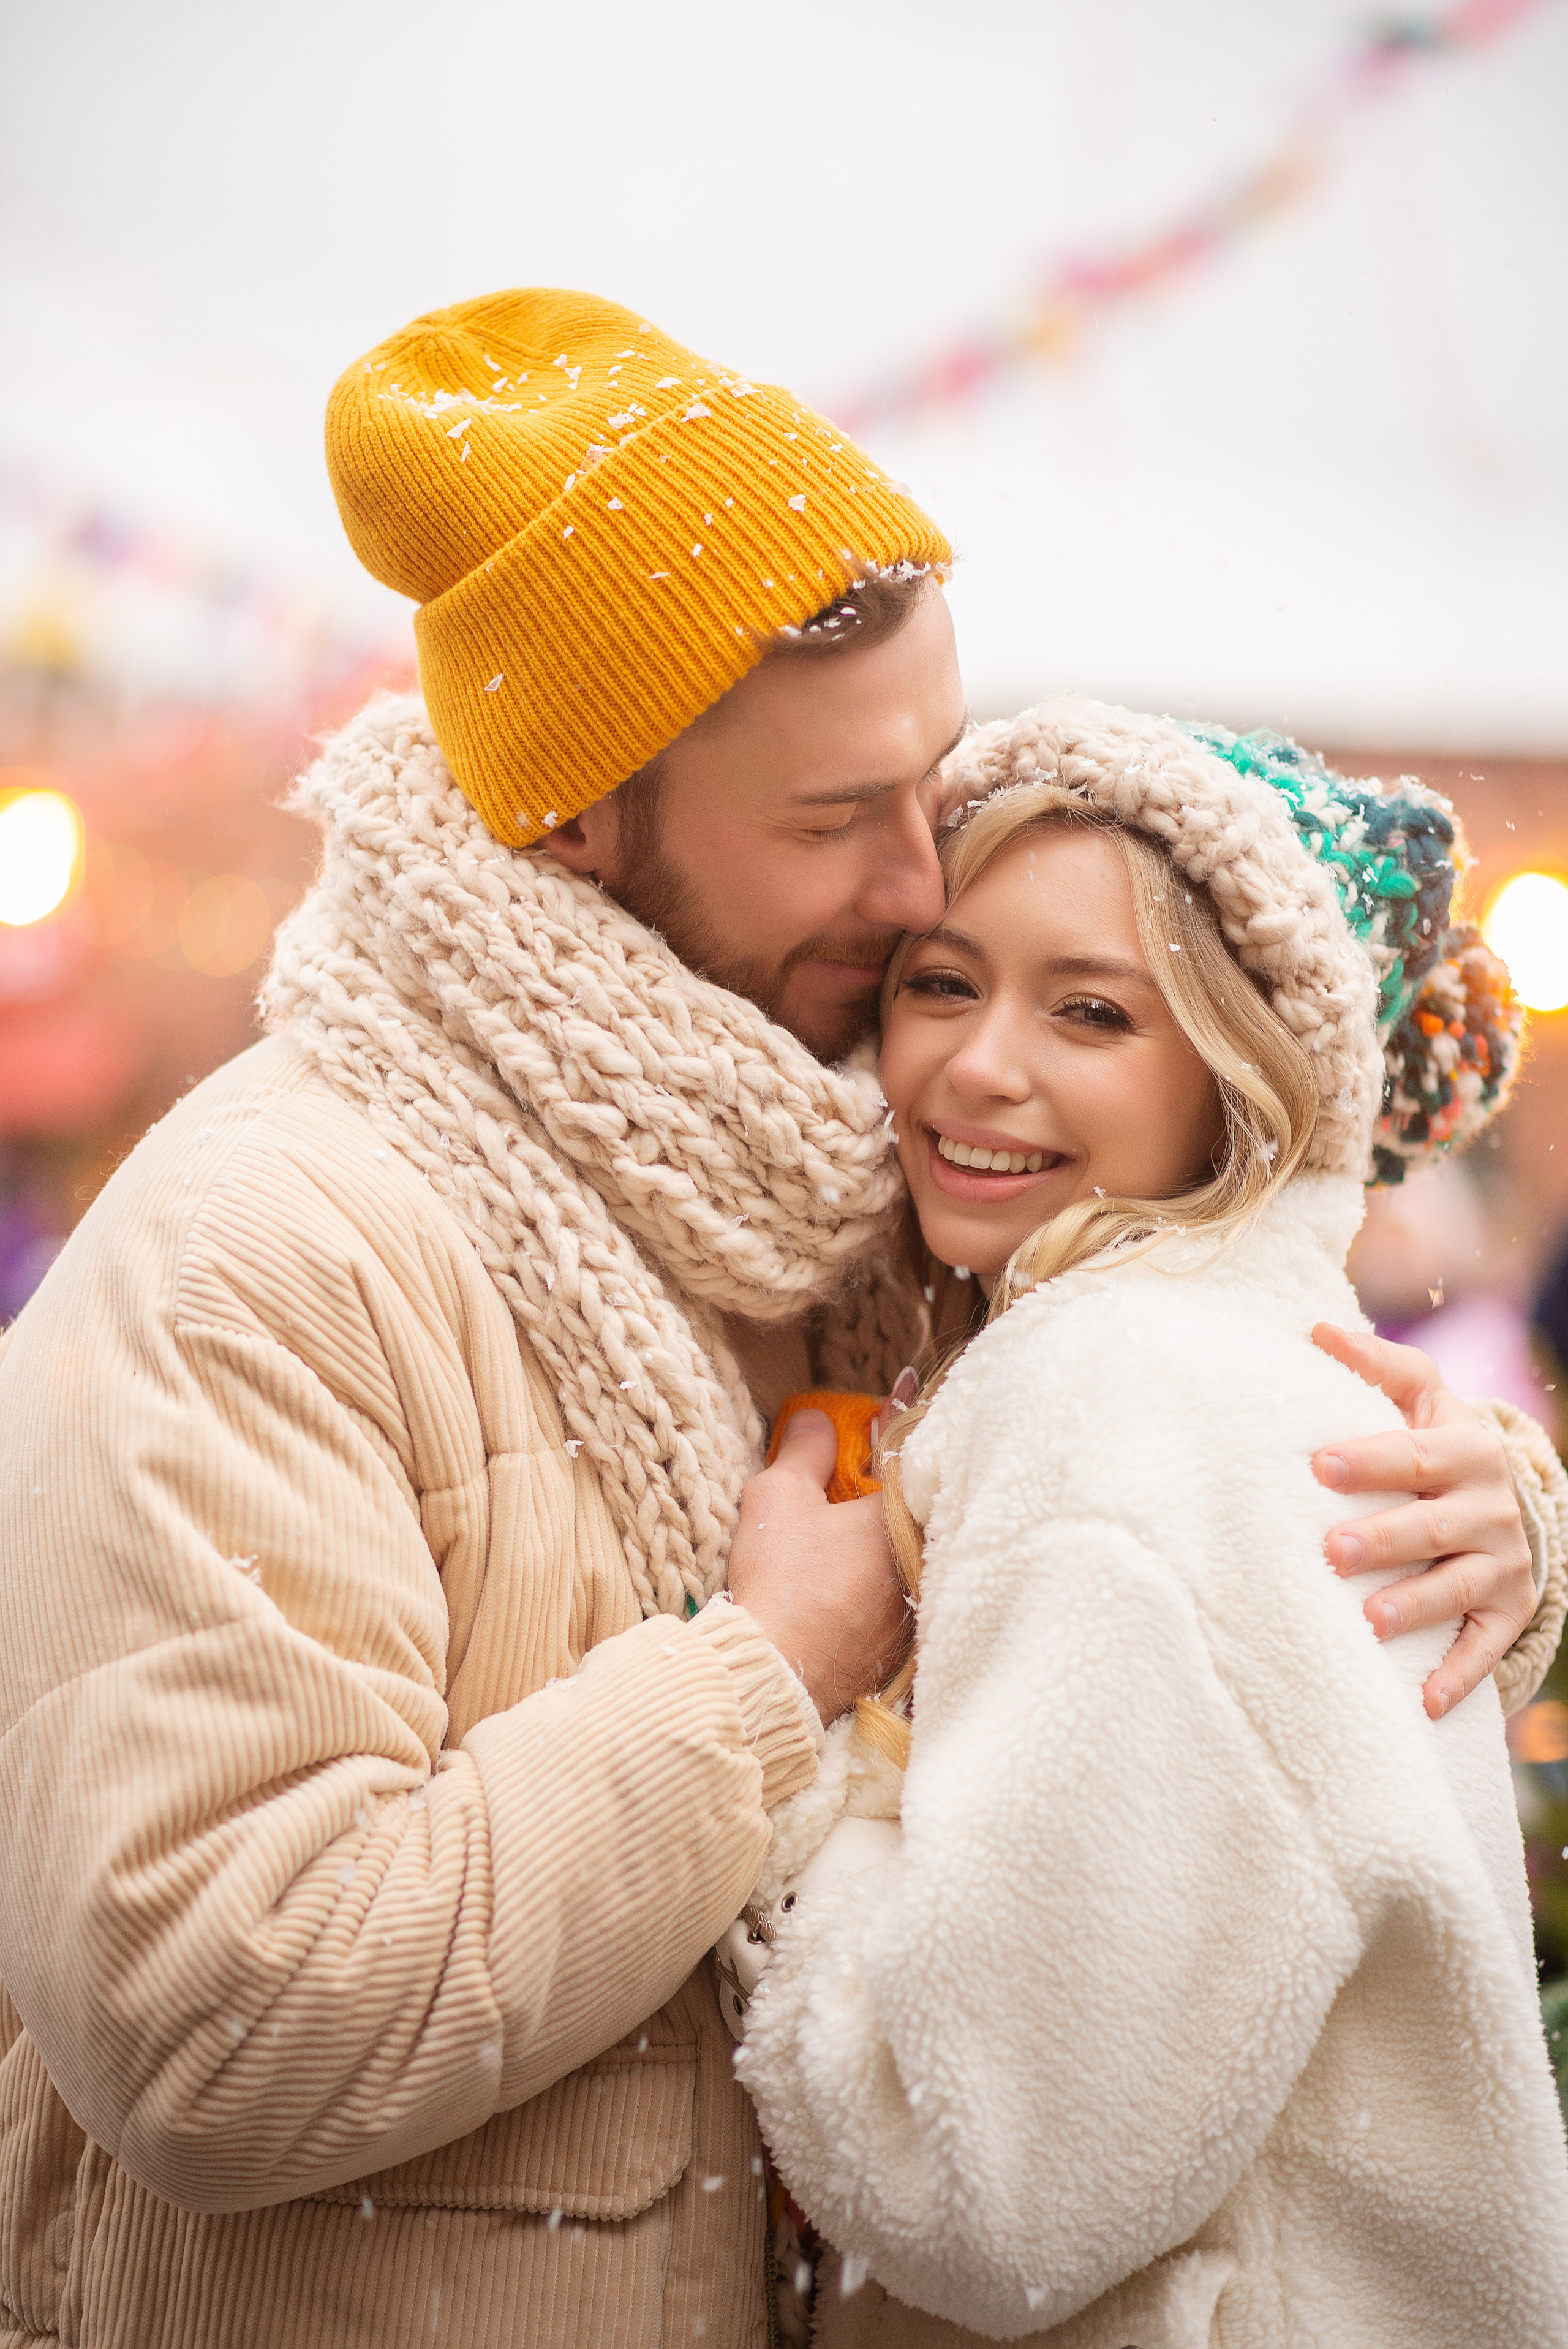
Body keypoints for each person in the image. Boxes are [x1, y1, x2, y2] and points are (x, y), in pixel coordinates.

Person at [0, 289, 1558, 2349]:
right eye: (834, 822)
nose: (925, 883)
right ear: (575, 816)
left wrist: (1470, 1532)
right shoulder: (258, 1253)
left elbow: (1148, 1507)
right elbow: (207, 2017)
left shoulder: (854, 1182)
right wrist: (763, 1677)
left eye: (933, 783)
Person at [735, 702, 1568, 2348]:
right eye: (942, 981)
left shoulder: (1114, 1394)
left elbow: (989, 2182)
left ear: (1243, 1077)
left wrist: (781, 1732)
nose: (978, 1063)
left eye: (1094, 1010)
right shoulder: (1192, 1360)